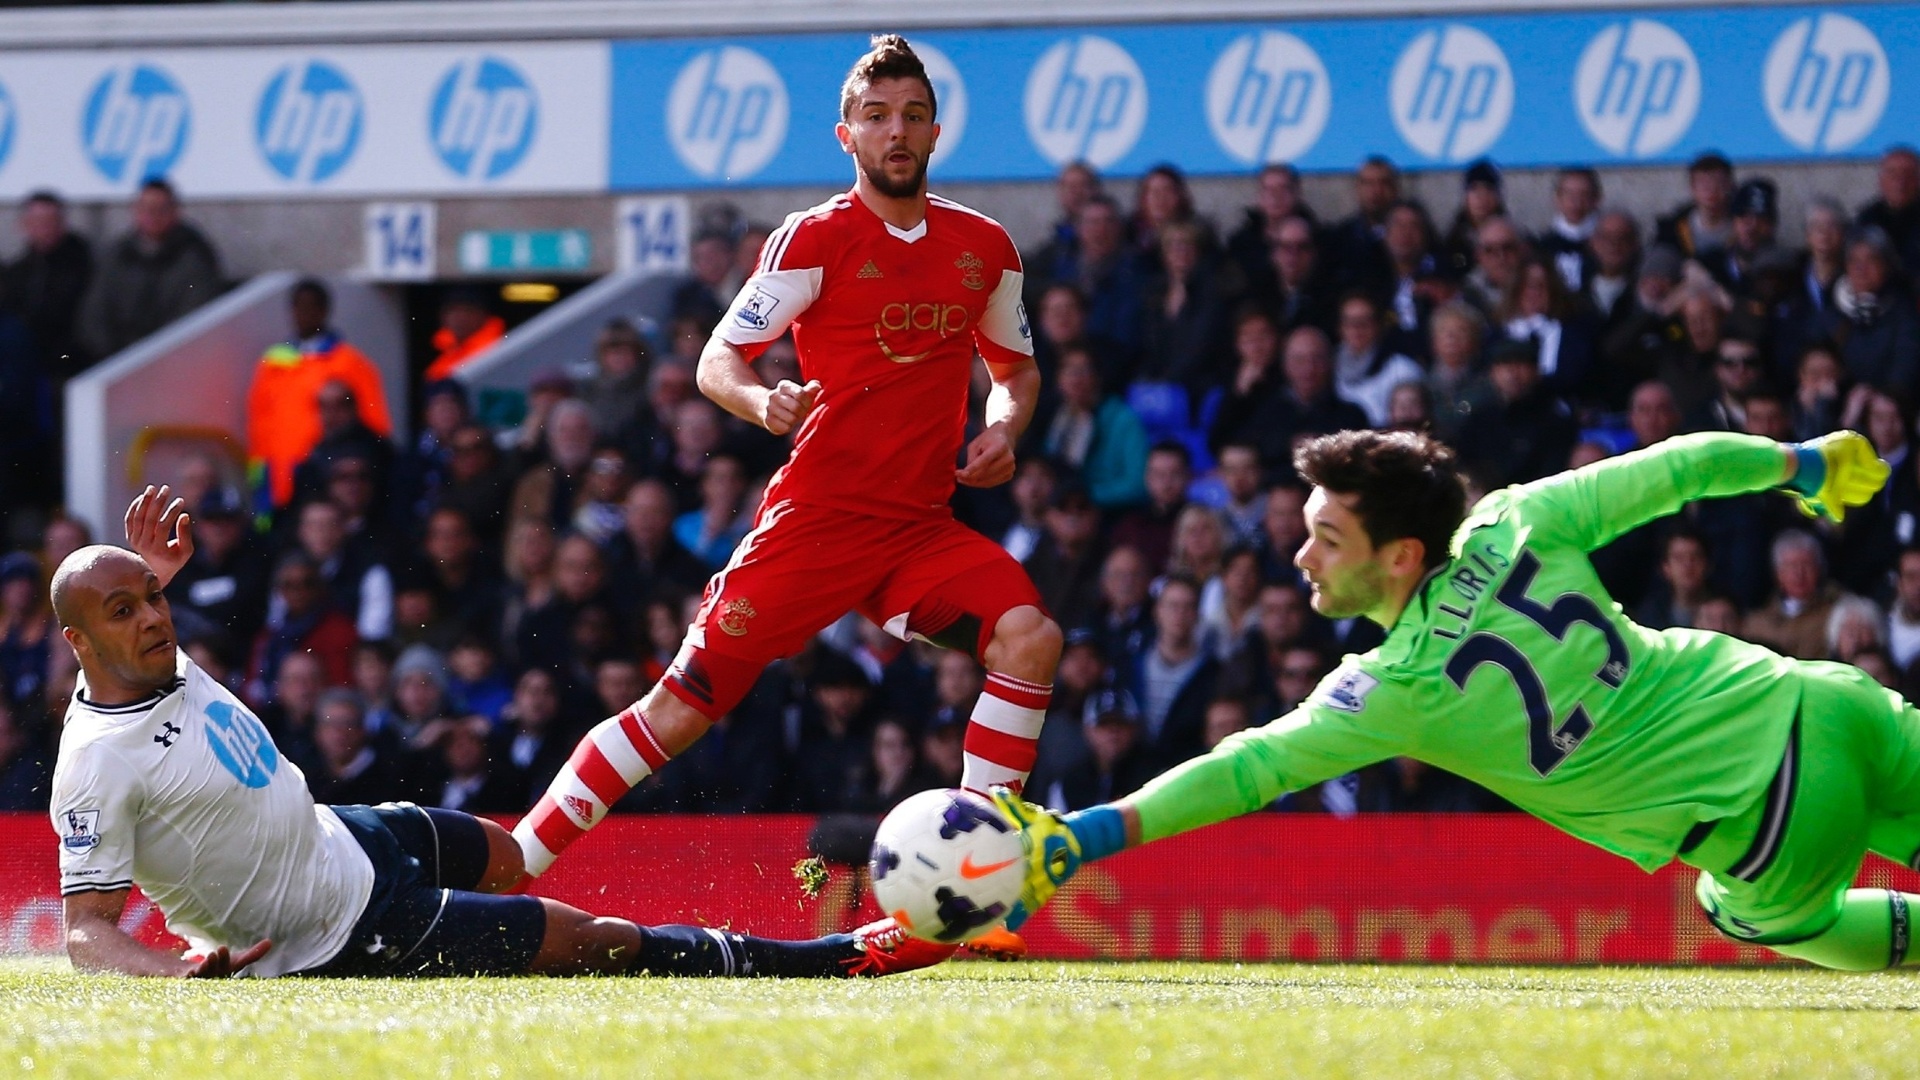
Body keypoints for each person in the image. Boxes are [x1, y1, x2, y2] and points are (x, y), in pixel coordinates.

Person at [988, 425, 1920, 978]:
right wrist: (1798, 461)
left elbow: (1248, 768)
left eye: (1325, 537)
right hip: (1818, 702)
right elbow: (1676, 468)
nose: (1301, 556)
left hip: (1768, 826)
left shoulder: (1394, 689)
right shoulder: (1519, 517)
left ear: (1397, 556)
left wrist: (1088, 836)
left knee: (1745, 913)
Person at [513, 37, 1053, 958]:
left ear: (935, 130)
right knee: (676, 714)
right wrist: (764, 399)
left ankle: (974, 896)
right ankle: (512, 869)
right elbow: (717, 358)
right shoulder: (815, 238)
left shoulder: (986, 248)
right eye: (878, 117)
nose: (897, 131)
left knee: (1030, 637)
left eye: (913, 115)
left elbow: (1017, 369)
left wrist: (1004, 426)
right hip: (814, 524)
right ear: (848, 135)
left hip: (918, 530)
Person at [48, 487, 958, 979]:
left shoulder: (155, 649)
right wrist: (172, 980)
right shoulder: (94, 764)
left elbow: (142, 619)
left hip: (344, 834)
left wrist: (147, 575)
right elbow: (85, 929)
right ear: (78, 642)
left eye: (157, 599)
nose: (153, 619)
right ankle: (827, 957)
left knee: (511, 856)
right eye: (126, 610)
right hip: (334, 926)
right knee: (589, 938)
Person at [246, 279, 394, 509]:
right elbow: (260, 426)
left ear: (324, 310)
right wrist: (260, 476)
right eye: (299, 307)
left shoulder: (351, 363)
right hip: (278, 478)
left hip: (329, 474)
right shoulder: (273, 362)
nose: (304, 314)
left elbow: (374, 425)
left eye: (311, 307)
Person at [73, 178, 223, 361]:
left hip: (170, 363)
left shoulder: (195, 258)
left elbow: (193, 319)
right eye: (145, 208)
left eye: (161, 209)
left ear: (175, 212)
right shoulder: (117, 255)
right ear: (135, 211)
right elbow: (95, 313)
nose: (152, 215)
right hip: (115, 361)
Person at [3, 190, 93, 377]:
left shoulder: (84, 268)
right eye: (37, 221)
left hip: (68, 361)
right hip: (22, 364)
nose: (44, 228)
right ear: (25, 225)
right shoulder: (15, 273)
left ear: (62, 224)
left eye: (50, 221)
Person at [424, 287, 506, 381]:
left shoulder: (497, 349)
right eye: (453, 310)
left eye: (468, 310)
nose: (460, 318)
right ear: (442, 317)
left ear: (484, 315)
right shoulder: (439, 351)